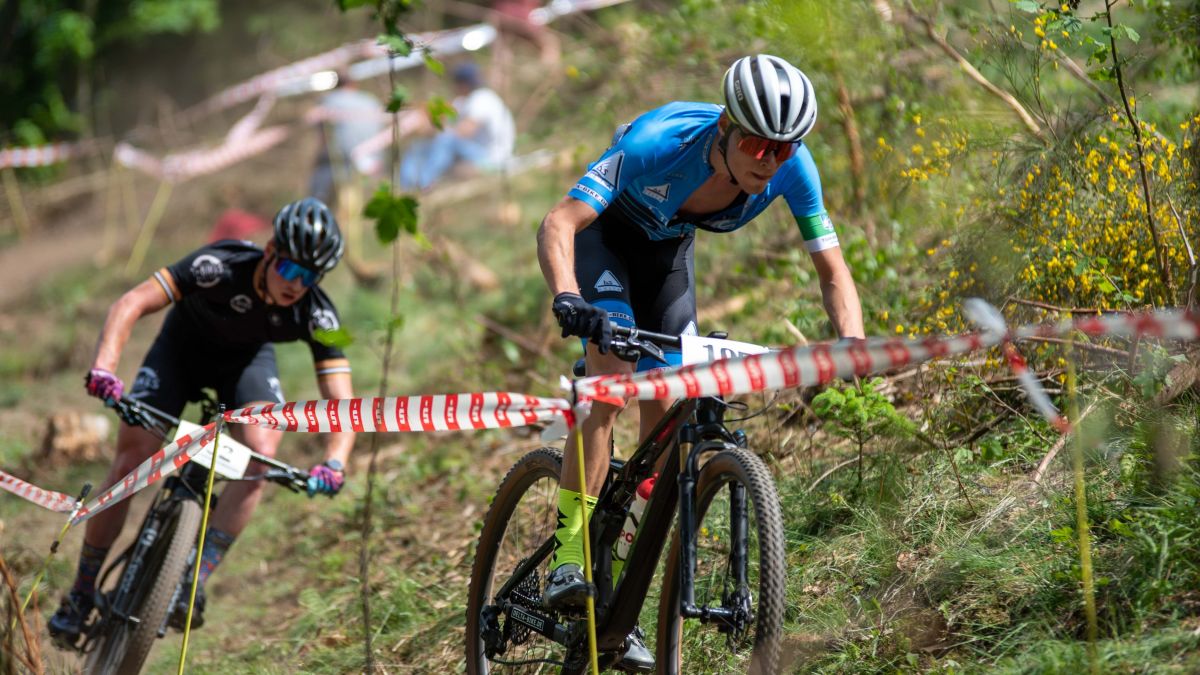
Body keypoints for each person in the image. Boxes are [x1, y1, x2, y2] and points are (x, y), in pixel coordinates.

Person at [535, 54, 866, 669]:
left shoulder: (795, 170)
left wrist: (851, 343)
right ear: (726, 129)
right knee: (611, 382)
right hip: (605, 243)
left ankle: (618, 598)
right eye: (756, 143)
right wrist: (569, 299)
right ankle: (570, 553)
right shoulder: (658, 142)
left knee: (664, 431)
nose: (768, 160)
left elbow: (833, 272)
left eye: (783, 150)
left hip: (666, 259)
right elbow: (560, 221)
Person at [48, 197, 357, 643]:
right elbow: (132, 302)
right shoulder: (219, 263)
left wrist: (336, 461)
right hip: (180, 352)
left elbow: (341, 400)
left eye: (311, 277)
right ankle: (81, 590)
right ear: (270, 251)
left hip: (244, 366)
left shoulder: (319, 313)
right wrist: (104, 367)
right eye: (291, 270)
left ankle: (193, 579)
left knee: (261, 458)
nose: (297, 285)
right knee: (135, 457)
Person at [397, 62, 515, 192]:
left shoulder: (482, 98)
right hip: (475, 152)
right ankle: (407, 188)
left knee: (446, 140)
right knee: (419, 145)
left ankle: (425, 184)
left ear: (463, 84)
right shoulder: (464, 101)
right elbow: (443, 125)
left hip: (492, 157)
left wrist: (440, 130)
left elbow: (465, 131)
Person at [307, 72, 387, 208]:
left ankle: (316, 212)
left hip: (342, 159)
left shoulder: (328, 100)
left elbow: (321, 135)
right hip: (373, 159)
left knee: (319, 189)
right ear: (354, 84)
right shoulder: (371, 100)